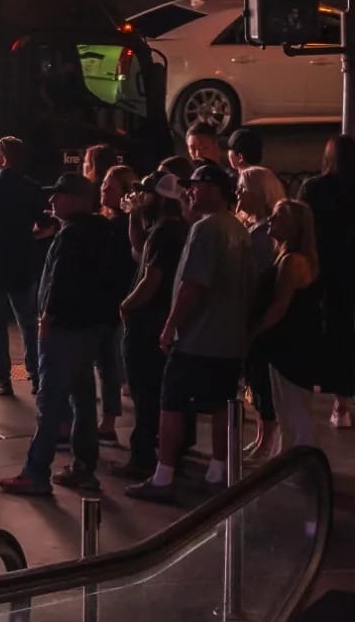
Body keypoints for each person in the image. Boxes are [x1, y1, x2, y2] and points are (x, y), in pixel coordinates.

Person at [126, 163, 257, 504]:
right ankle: (218, 471)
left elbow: (193, 285)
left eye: (196, 186)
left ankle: (164, 474)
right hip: (229, 339)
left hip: (198, 337)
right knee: (219, 404)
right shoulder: (239, 230)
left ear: (215, 189)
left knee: (171, 404)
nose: (191, 192)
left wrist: (171, 325)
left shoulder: (205, 229)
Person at [0, 173, 119, 497]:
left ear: (79, 199)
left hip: (64, 329)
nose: (52, 201)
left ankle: (36, 471)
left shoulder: (71, 236)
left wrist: (46, 319)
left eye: (59, 195)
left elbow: (60, 281)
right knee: (82, 399)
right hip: (93, 329)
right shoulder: (105, 230)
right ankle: (84, 468)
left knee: (50, 400)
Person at [118, 173, 191, 481]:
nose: (140, 199)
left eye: (145, 195)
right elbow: (139, 246)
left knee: (146, 391)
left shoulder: (166, 232)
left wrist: (127, 305)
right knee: (160, 390)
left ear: (160, 199)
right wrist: (133, 215)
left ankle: (143, 456)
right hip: (162, 319)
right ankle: (172, 452)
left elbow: (152, 278)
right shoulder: (173, 229)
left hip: (149, 321)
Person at [0, 136, 46, 398]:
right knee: (28, 323)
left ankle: (1, 378)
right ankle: (38, 377)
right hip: (24, 264)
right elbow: (44, 223)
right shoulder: (32, 188)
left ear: (2, 159)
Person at [250, 199, 322, 454]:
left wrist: (253, 332)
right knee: (287, 409)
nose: (271, 219)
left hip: (290, 346)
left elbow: (279, 307)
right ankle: (289, 462)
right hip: (287, 345)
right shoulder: (286, 256)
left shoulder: (293, 261)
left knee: (293, 411)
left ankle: (299, 464)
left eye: (278, 216)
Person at [300, 136, 355, 429]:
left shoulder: (315, 188)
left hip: (321, 268)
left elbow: (303, 227)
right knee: (346, 331)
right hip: (349, 269)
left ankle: (327, 402)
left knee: (321, 329)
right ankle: (342, 402)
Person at [235, 163, 288, 455]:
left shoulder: (266, 231)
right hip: (249, 309)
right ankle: (260, 434)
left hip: (260, 311)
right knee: (253, 377)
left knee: (261, 377)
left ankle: (267, 437)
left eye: (244, 189)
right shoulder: (251, 226)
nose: (238, 194)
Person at [94, 164, 137, 444]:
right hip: (116, 302)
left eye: (110, 186)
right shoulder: (115, 223)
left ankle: (108, 422)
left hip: (112, 303)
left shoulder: (118, 227)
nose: (103, 189)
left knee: (108, 363)